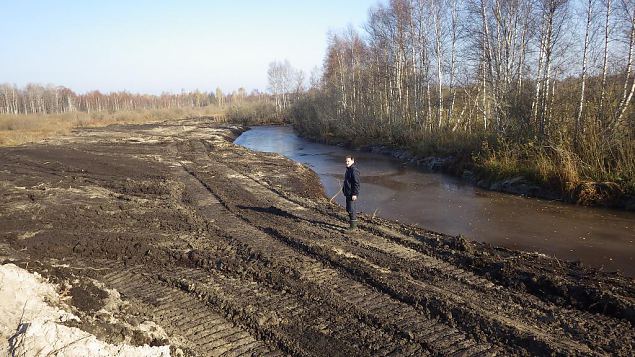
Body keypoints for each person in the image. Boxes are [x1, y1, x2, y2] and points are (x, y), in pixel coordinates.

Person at [342, 155, 360, 231]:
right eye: (346, 161)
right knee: (348, 209)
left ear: (353, 161)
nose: (347, 163)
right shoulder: (348, 169)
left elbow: (356, 183)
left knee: (351, 209)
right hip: (348, 192)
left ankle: (353, 227)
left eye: (348, 161)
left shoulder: (354, 170)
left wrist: (355, 194)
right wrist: (344, 189)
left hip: (352, 194)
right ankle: (352, 224)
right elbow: (347, 181)